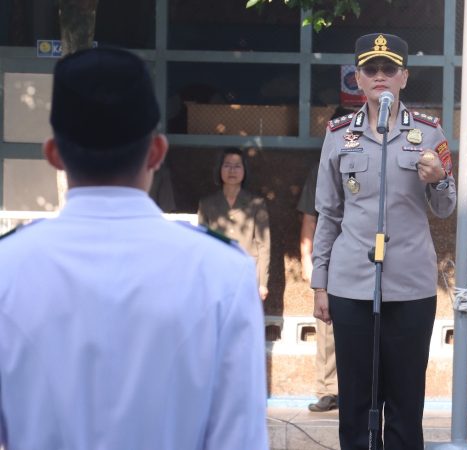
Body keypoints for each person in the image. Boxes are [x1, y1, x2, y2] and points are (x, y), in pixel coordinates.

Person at [0, 48, 268, 449]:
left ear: (53, 154)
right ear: (157, 151)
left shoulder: (9, 267)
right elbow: (239, 439)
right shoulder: (223, 272)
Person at [310, 33, 456, 450]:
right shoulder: (338, 135)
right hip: (352, 282)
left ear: (403, 78)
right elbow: (329, 213)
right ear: (357, 78)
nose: (379, 76)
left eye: (388, 69)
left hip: (409, 284)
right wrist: (320, 283)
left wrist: (439, 179)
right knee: (355, 399)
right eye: (370, 69)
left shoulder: (429, 133)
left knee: (406, 400)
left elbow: (446, 206)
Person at [301, 107, 352, 413]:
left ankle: (360, 391)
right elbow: (313, 217)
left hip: (366, 256)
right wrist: (309, 261)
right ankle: (328, 389)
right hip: (331, 254)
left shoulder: (377, 160)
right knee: (328, 327)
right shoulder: (320, 166)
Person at [198, 147, 270, 301]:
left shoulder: (256, 203)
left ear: (244, 171)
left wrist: (262, 283)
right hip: (216, 273)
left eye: (237, 166)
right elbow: (201, 244)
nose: (232, 170)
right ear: (219, 169)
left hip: (248, 272)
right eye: (227, 165)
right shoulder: (206, 204)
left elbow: (263, 245)